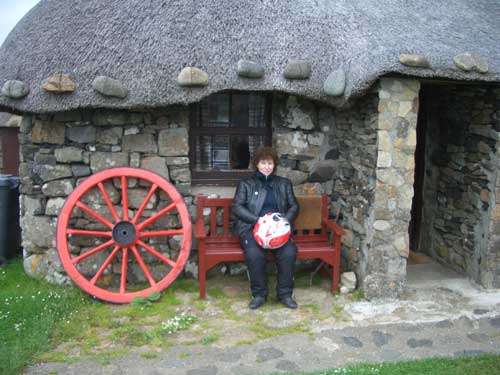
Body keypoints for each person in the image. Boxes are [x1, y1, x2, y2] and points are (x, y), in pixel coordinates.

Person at [232, 147, 299, 309]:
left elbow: (294, 206)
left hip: (278, 230)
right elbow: (237, 207)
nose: (267, 166)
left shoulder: (284, 184)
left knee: (289, 252)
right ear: (257, 164)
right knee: (254, 254)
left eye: (270, 163)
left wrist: (284, 222)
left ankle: (285, 294)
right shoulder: (246, 184)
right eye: (263, 163)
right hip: (251, 227)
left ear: (274, 165)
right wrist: (258, 220)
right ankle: (259, 294)